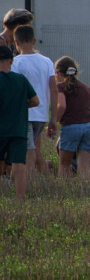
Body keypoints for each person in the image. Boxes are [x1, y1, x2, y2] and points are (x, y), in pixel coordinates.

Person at [12, 25, 56, 176]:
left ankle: (27, 182)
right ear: (34, 41)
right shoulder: (47, 62)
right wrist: (54, 118)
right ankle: (19, 180)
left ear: (16, 42)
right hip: (42, 114)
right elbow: (54, 89)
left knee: (28, 152)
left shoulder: (15, 63)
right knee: (33, 149)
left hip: (24, 114)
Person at [0, 44, 39, 199]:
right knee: (19, 165)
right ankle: (20, 198)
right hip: (18, 129)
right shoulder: (21, 80)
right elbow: (35, 101)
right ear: (11, 60)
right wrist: (22, 106)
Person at [52, 55, 90, 180]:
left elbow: (61, 106)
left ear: (58, 73)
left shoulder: (61, 87)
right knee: (84, 167)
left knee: (64, 166)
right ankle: (88, 193)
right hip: (89, 127)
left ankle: (64, 192)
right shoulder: (86, 88)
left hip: (70, 126)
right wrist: (89, 123)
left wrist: (54, 122)